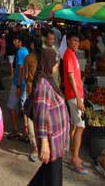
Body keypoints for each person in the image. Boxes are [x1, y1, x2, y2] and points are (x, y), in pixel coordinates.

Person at [28, 48, 70, 186]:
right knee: (54, 179)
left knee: (46, 174)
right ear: (48, 63)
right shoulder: (43, 85)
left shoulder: (49, 80)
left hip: (56, 140)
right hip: (51, 141)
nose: (57, 66)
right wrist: (44, 143)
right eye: (55, 63)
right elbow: (40, 117)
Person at [63, 31, 88, 174]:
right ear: (68, 41)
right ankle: (75, 158)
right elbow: (71, 77)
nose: (76, 43)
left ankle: (73, 155)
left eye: (78, 41)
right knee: (80, 126)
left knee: (75, 126)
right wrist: (78, 98)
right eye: (74, 41)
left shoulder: (71, 54)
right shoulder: (68, 55)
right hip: (73, 96)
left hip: (75, 95)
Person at [7, 33, 29, 140]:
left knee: (11, 107)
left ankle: (16, 130)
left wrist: (18, 85)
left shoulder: (20, 52)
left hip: (19, 83)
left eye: (15, 40)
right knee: (24, 108)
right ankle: (26, 132)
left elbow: (20, 68)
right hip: (25, 83)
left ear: (19, 41)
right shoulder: (26, 51)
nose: (13, 43)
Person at [25, 36, 43, 162]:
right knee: (42, 118)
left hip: (31, 90)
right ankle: (43, 145)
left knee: (31, 118)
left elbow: (26, 76)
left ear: (32, 45)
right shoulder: (45, 57)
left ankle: (35, 148)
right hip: (43, 91)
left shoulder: (29, 58)